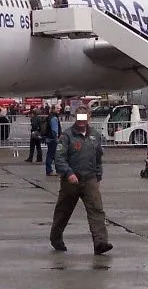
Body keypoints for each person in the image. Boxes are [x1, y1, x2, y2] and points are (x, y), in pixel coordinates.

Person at [51, 106, 112, 255]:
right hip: (71, 181)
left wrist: (98, 176)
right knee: (63, 211)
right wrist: (68, 173)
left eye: (84, 117)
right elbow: (59, 158)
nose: (81, 121)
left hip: (90, 179)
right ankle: (56, 238)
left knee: (97, 210)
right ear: (75, 118)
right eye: (79, 117)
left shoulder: (95, 135)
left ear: (89, 117)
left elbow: (98, 158)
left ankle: (100, 242)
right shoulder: (67, 136)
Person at [45, 110, 61, 176]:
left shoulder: (49, 117)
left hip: (49, 138)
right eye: (57, 109)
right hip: (53, 139)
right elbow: (54, 130)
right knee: (51, 155)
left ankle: (57, 170)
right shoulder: (54, 118)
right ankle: (49, 171)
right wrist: (56, 138)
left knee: (53, 155)